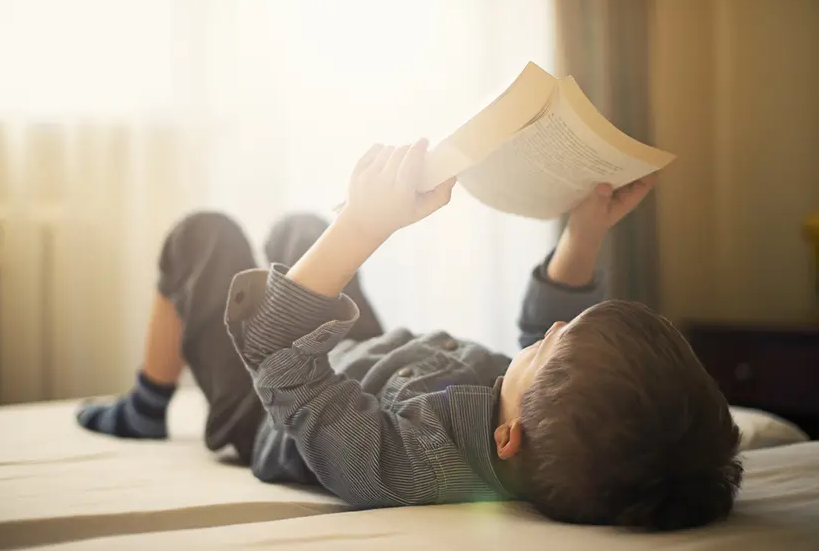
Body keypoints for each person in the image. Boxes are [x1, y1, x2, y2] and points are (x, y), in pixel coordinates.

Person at [77, 139, 742, 531]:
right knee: (304, 231)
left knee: (204, 235)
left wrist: (365, 226)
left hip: (273, 407)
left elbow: (278, 356)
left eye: (544, 348)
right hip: (358, 362)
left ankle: (144, 404)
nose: (550, 330)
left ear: (508, 439)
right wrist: (585, 232)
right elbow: (547, 338)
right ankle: (319, 242)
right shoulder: (537, 426)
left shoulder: (410, 463)